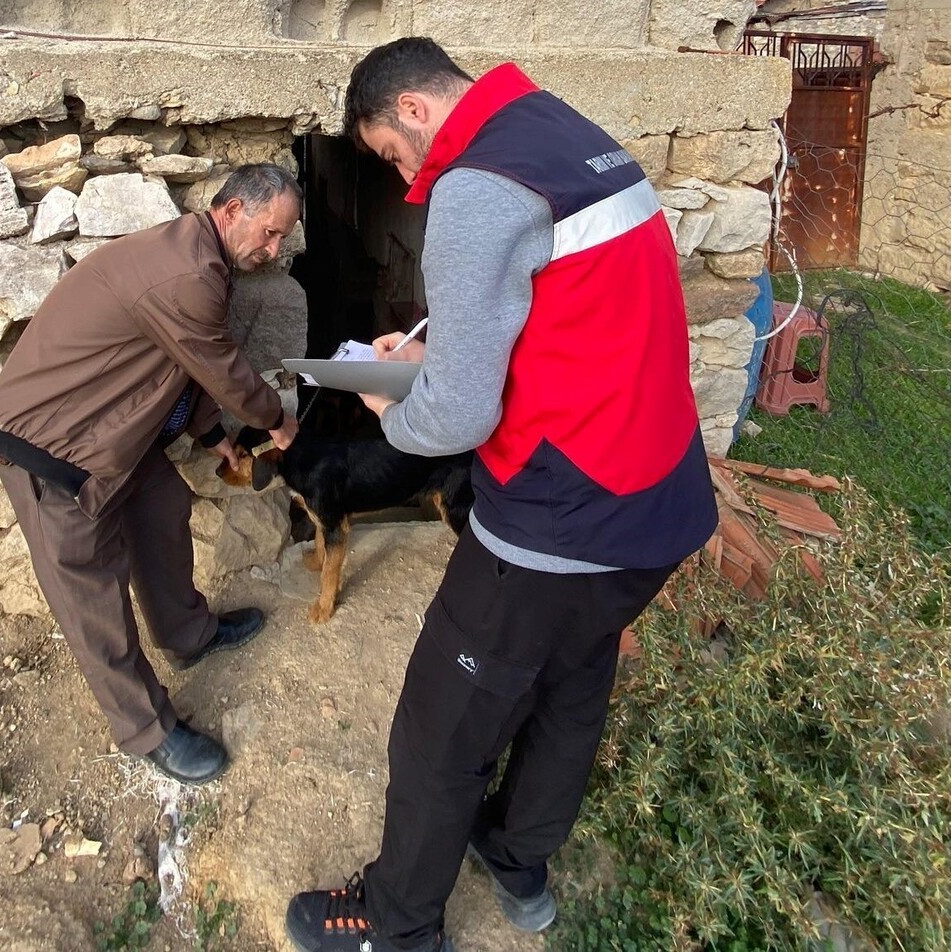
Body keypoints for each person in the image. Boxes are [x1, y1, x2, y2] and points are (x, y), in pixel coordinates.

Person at [285, 39, 718, 951]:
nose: (406, 178)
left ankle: (395, 925)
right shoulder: (571, 137)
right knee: (571, 689)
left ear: (412, 109)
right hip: (661, 495)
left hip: (561, 518)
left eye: (392, 153)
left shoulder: (476, 187)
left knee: (440, 728)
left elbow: (456, 419)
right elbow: (565, 315)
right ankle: (517, 860)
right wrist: (438, 353)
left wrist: (392, 406)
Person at [0, 163, 302, 785]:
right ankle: (146, 730)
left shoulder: (200, 260)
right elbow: (221, 369)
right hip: (53, 445)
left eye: (282, 238)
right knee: (92, 595)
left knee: (163, 508)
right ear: (233, 210)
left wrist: (212, 437)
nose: (273, 250)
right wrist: (275, 421)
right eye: (269, 233)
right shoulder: (190, 273)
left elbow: (181, 362)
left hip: (110, 433)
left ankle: (187, 633)